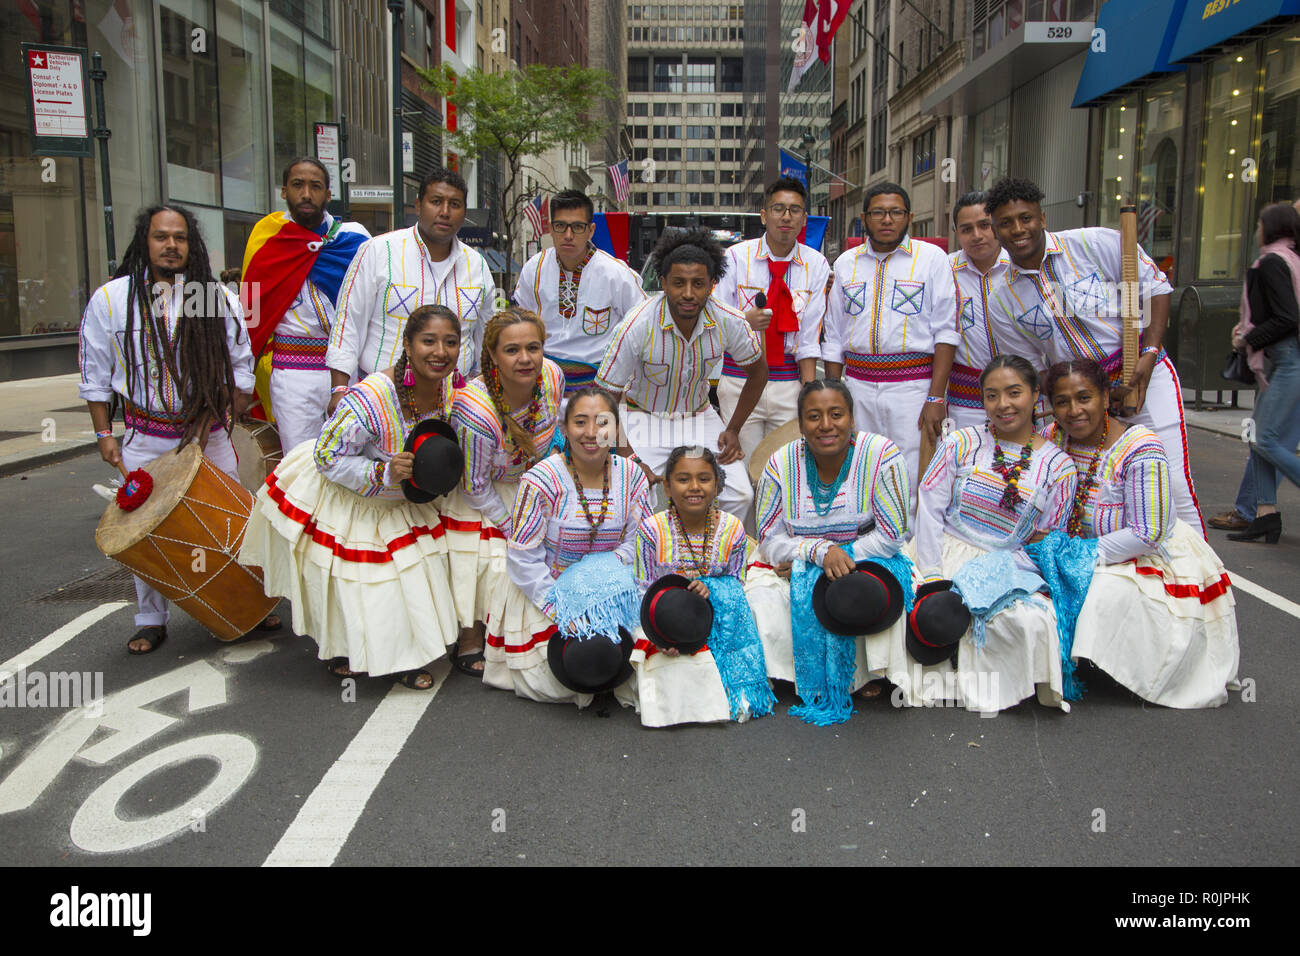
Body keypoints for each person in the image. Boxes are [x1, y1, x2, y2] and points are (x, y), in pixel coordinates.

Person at [78, 204, 271, 654]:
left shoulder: (214, 297)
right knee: (146, 534)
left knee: (233, 521)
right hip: (145, 436)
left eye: (180, 238)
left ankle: (249, 602)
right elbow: (94, 375)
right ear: (145, 241)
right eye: (161, 236)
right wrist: (104, 434)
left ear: (192, 245)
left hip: (209, 434)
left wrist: (216, 418)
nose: (171, 245)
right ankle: (151, 618)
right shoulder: (111, 299)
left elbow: (241, 372)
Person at [240, 305, 464, 689]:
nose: (439, 351)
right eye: (428, 341)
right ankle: (351, 649)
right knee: (367, 583)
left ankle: (404, 654)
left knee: (409, 579)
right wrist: (382, 473)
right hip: (349, 494)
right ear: (408, 346)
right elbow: (326, 455)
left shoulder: (447, 391)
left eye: (450, 342)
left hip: (401, 500)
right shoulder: (372, 397)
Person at [981, 176, 1204, 534]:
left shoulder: (1094, 244)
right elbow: (1034, 369)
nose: (1017, 229)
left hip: (1142, 374)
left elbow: (1156, 289)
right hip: (1078, 396)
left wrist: (1148, 353)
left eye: (1026, 218)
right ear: (995, 229)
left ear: (1042, 217)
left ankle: (1195, 582)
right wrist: (1083, 400)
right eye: (1005, 223)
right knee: (1092, 496)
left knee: (1173, 487)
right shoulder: (1001, 299)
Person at [1043, 359, 1239, 707]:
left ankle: (1124, 665)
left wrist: (1079, 556)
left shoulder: (1140, 446)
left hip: (1143, 556)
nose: (1074, 410)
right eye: (1062, 401)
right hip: (1075, 548)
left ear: (1106, 398)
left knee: (1104, 593)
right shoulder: (1051, 438)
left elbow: (1148, 533)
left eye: (1084, 397)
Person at [912, 355, 1078, 714]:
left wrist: (996, 576)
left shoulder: (1058, 466)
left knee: (1029, 623)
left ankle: (973, 679)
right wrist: (931, 573)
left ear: (1035, 394)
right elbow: (929, 507)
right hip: (943, 548)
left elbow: (1049, 539)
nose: (1003, 405)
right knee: (912, 602)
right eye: (991, 395)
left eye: (1014, 392)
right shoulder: (962, 441)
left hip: (1008, 564)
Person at [746, 380, 912, 711]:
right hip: (798, 559)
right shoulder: (780, 464)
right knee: (762, 599)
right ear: (801, 424)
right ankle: (792, 675)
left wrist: (840, 557)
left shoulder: (882, 455)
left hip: (869, 556)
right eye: (813, 416)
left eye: (836, 414)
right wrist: (816, 554)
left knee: (858, 592)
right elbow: (768, 538)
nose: (825, 425)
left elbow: (893, 535)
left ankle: (862, 675)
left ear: (851, 418)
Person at [483, 386, 650, 705]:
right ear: (564, 428)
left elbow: (639, 545)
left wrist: (598, 579)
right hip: (548, 587)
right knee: (568, 672)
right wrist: (563, 609)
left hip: (613, 586)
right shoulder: (542, 480)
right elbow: (523, 559)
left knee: (647, 663)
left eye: (602, 423)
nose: (591, 433)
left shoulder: (632, 476)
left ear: (615, 430)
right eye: (580, 422)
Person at [596, 227, 767, 521]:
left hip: (700, 416)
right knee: (635, 492)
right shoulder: (637, 324)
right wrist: (628, 456)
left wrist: (734, 429)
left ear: (712, 284)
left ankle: (717, 560)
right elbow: (603, 397)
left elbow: (758, 372)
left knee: (740, 493)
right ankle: (655, 559)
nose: (688, 293)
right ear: (663, 282)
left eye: (698, 283)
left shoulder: (729, 319)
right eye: (678, 283)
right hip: (642, 417)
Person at [445, 309, 566, 673]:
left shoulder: (553, 377)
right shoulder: (475, 410)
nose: (526, 359)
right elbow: (474, 485)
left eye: (534, 347)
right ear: (493, 356)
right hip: (480, 495)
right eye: (512, 350)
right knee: (494, 559)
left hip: (534, 482)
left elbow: (552, 437)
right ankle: (471, 632)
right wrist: (517, 527)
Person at [823, 182, 960, 494]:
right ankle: (866, 537)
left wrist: (936, 397)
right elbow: (833, 334)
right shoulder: (846, 263)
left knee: (911, 473)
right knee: (860, 467)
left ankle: (908, 542)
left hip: (911, 388)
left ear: (909, 216)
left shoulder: (932, 259)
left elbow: (946, 332)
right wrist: (834, 394)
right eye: (879, 213)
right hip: (857, 386)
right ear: (864, 218)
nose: (887, 220)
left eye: (895, 212)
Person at [326, 166, 493, 410]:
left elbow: (486, 338)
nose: (445, 212)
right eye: (436, 201)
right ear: (418, 205)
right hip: (382, 400)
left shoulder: (476, 264)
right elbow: (347, 325)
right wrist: (340, 390)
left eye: (454, 204)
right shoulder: (379, 251)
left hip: (452, 406)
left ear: (464, 211)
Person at [632, 445, 774, 726]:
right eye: (683, 479)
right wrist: (660, 632)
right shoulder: (651, 530)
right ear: (668, 489)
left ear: (718, 486)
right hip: (666, 618)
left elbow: (736, 581)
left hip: (717, 616)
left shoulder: (732, 528)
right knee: (666, 668)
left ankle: (732, 695)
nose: (694, 487)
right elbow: (643, 589)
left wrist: (711, 588)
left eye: (704, 479)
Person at [240, 158, 370, 452]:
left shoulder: (355, 239)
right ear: (284, 191)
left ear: (328, 194)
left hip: (347, 370)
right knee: (300, 465)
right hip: (292, 375)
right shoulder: (268, 240)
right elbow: (251, 312)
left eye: (316, 186)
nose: (307, 194)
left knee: (352, 458)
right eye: (298, 185)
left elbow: (374, 304)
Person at [713, 177, 830, 466]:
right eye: (778, 208)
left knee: (785, 473)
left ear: (804, 219)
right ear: (765, 215)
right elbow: (714, 318)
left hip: (789, 384)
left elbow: (809, 336)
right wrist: (744, 321)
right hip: (741, 380)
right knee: (740, 472)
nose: (786, 216)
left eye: (794, 210)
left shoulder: (816, 264)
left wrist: (809, 390)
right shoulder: (735, 258)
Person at [511, 189, 645, 396]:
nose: (568, 235)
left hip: (599, 389)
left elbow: (641, 327)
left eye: (577, 227)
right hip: (545, 387)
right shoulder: (533, 268)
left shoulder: (616, 274)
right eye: (560, 226)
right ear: (550, 228)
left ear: (591, 230)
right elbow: (520, 322)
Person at [1222, 202, 1300, 544]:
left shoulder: (1272, 262)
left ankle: (1261, 513)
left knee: (1264, 438)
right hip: (1283, 360)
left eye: (1259, 224)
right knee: (1258, 438)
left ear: (1271, 228)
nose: (1255, 230)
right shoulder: (1292, 259)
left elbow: (1287, 318)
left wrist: (1247, 338)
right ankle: (1265, 515)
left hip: (1286, 360)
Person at [948, 191, 1041, 429]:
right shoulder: (944, 271)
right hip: (965, 402)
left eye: (985, 226)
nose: (977, 236)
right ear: (956, 232)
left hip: (1021, 398)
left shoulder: (1023, 266)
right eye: (967, 229)